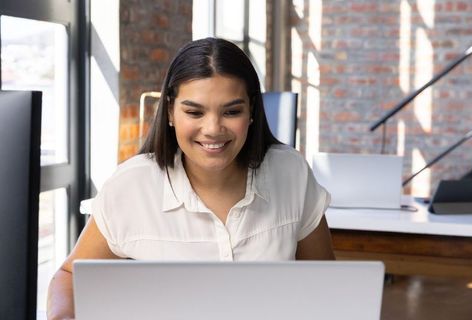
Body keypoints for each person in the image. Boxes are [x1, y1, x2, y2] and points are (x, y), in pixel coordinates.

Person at [47, 37, 334, 319]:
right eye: (194, 112)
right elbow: (70, 275)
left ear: (252, 112)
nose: (212, 129)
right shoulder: (132, 185)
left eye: (231, 111)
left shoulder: (290, 172)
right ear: (170, 111)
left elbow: (325, 283)